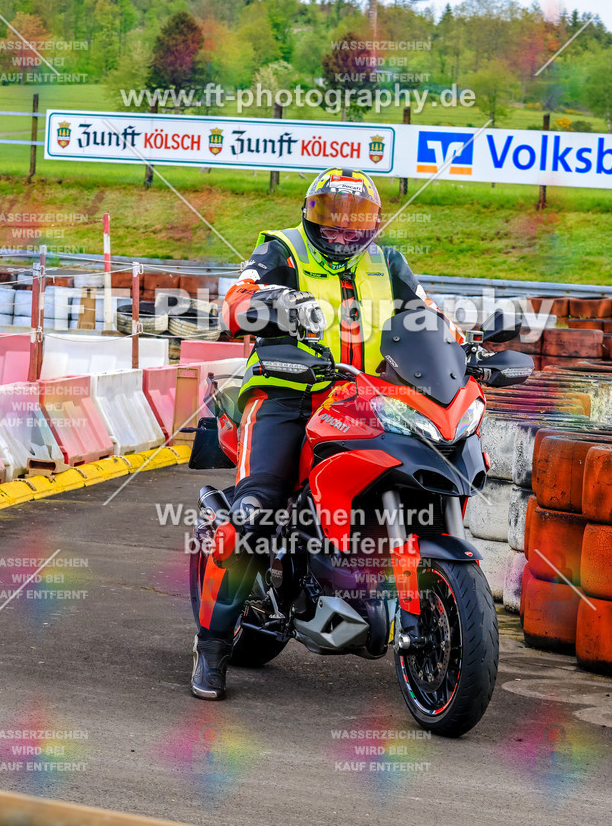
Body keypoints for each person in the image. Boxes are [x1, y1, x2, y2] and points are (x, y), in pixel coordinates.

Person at [191, 167, 461, 700]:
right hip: (286, 395)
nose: (342, 233)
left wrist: (460, 346)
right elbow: (235, 302)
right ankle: (211, 647)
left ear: (373, 225)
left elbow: (426, 318)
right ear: (311, 217)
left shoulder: (389, 264)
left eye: (355, 223)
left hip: (366, 399)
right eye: (331, 221)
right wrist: (272, 305)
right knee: (257, 511)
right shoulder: (282, 252)